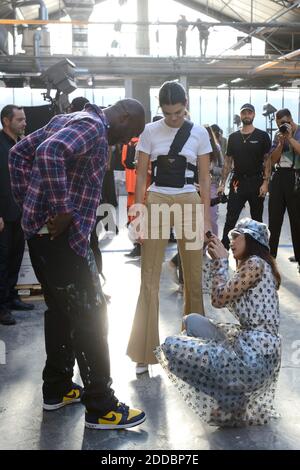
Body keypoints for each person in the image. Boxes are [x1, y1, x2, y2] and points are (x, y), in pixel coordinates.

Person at [9, 99, 147, 430]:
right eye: (130, 134)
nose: (125, 141)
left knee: (59, 310)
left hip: (43, 237)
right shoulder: (94, 128)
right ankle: (101, 407)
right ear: (124, 116)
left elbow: (18, 155)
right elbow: (49, 153)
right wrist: (61, 208)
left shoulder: (68, 117)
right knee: (91, 316)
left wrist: (32, 206)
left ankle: (57, 388)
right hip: (61, 240)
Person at [156, 217, 281, 427]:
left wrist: (221, 262)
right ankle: (232, 401)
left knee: (172, 348)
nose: (231, 242)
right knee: (191, 322)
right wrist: (220, 261)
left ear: (251, 240)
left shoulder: (256, 264)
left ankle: (232, 402)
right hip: (247, 348)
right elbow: (220, 297)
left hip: (254, 357)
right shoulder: (253, 266)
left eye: (236, 237)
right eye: (230, 237)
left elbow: (219, 299)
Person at [126, 80, 212, 374]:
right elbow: (140, 176)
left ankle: (197, 348)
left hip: (189, 199)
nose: (173, 119)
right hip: (157, 198)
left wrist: (206, 219)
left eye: (178, 112)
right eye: (168, 113)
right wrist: (137, 215)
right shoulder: (150, 131)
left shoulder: (200, 133)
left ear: (185, 104)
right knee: (148, 277)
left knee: (194, 277)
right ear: (160, 108)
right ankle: (143, 351)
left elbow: (204, 177)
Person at [218, 104, 271, 249]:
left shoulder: (262, 136)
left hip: (256, 181)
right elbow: (228, 162)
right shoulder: (233, 137)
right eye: (244, 113)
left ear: (253, 115)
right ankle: (223, 251)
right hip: (237, 182)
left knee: (257, 220)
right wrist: (222, 184)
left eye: (249, 113)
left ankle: (258, 251)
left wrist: (265, 183)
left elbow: (267, 160)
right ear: (240, 116)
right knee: (231, 218)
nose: (247, 115)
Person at [0, 105, 34, 326]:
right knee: (1, 263)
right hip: (3, 214)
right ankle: (1, 307)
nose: (24, 123)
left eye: (24, 119)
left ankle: (11, 298)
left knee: (14, 259)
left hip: (19, 213)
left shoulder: (21, 145)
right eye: (19, 119)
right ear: (6, 121)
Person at [268, 108, 300, 274]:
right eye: (280, 124)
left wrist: (290, 138)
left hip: (296, 178)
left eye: (286, 123)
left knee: (297, 221)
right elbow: (273, 160)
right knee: (274, 220)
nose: (283, 126)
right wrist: (281, 142)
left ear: (291, 119)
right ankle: (271, 259)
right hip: (279, 177)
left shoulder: (299, 131)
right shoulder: (277, 136)